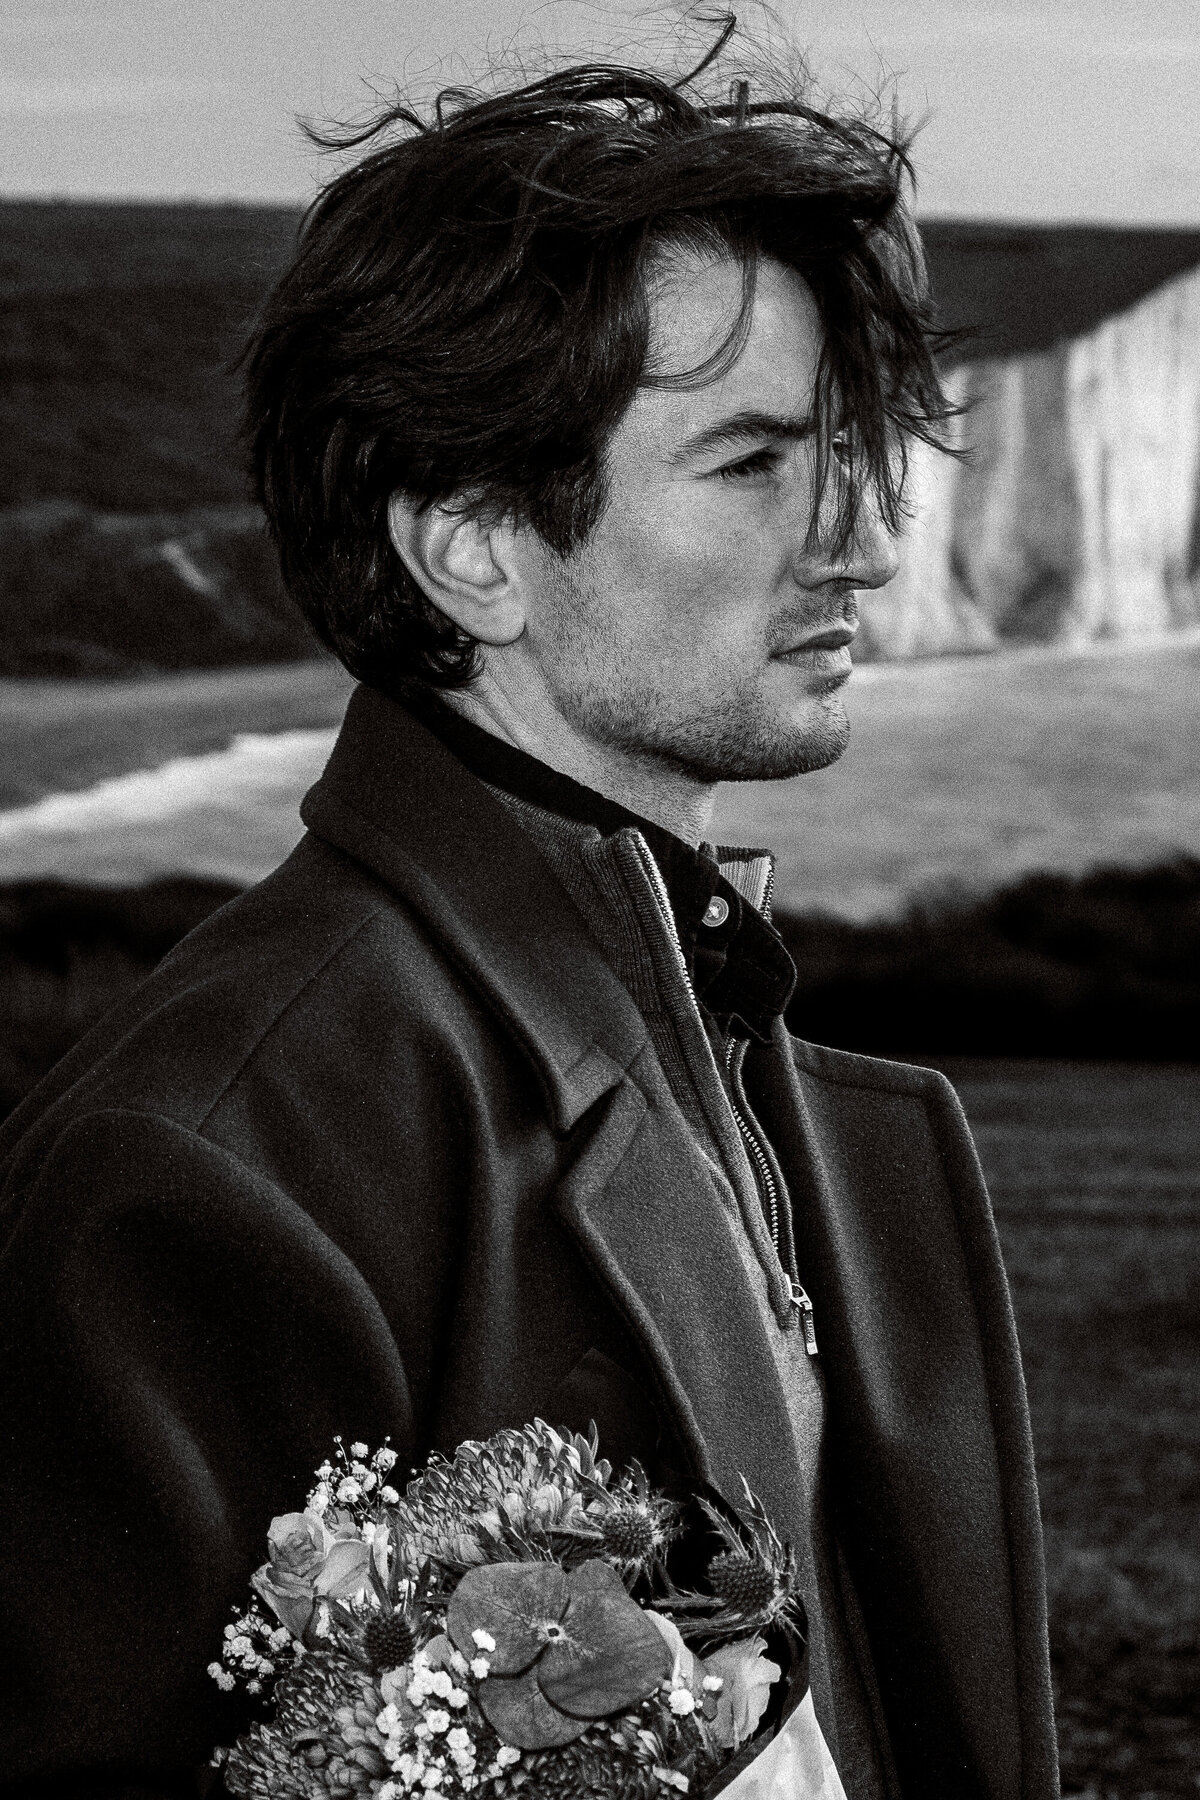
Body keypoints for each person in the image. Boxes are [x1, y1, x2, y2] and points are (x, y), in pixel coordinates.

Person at [0, 39, 1057, 1800]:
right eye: (750, 464)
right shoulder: (199, 1168)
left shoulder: (746, 1064)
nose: (863, 544)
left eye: (844, 452)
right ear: (472, 547)